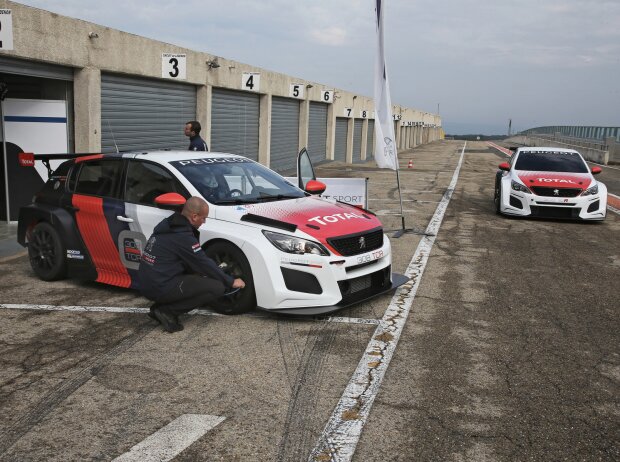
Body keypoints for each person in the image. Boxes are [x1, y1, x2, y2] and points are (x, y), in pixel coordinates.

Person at [138, 196, 245, 332]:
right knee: (217, 287)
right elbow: (203, 262)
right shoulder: (182, 235)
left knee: (197, 276)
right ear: (194, 216)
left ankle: (159, 307)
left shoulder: (170, 224)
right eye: (203, 218)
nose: (204, 222)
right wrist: (230, 281)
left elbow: (191, 261)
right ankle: (167, 311)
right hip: (158, 285)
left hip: (147, 282)